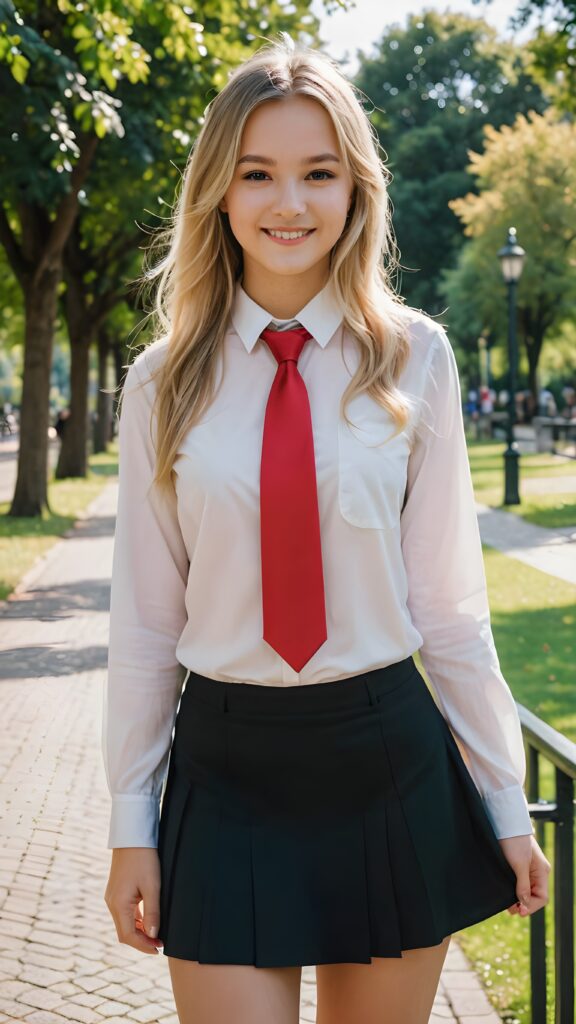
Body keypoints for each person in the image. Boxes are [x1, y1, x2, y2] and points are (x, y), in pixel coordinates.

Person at [102, 35, 551, 1024]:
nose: (289, 203)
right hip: (225, 770)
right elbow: (142, 621)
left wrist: (506, 804)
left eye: (319, 173)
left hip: (386, 761)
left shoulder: (416, 360)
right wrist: (130, 821)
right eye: (257, 174)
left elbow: (449, 606)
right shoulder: (163, 380)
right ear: (219, 191)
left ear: (357, 190)